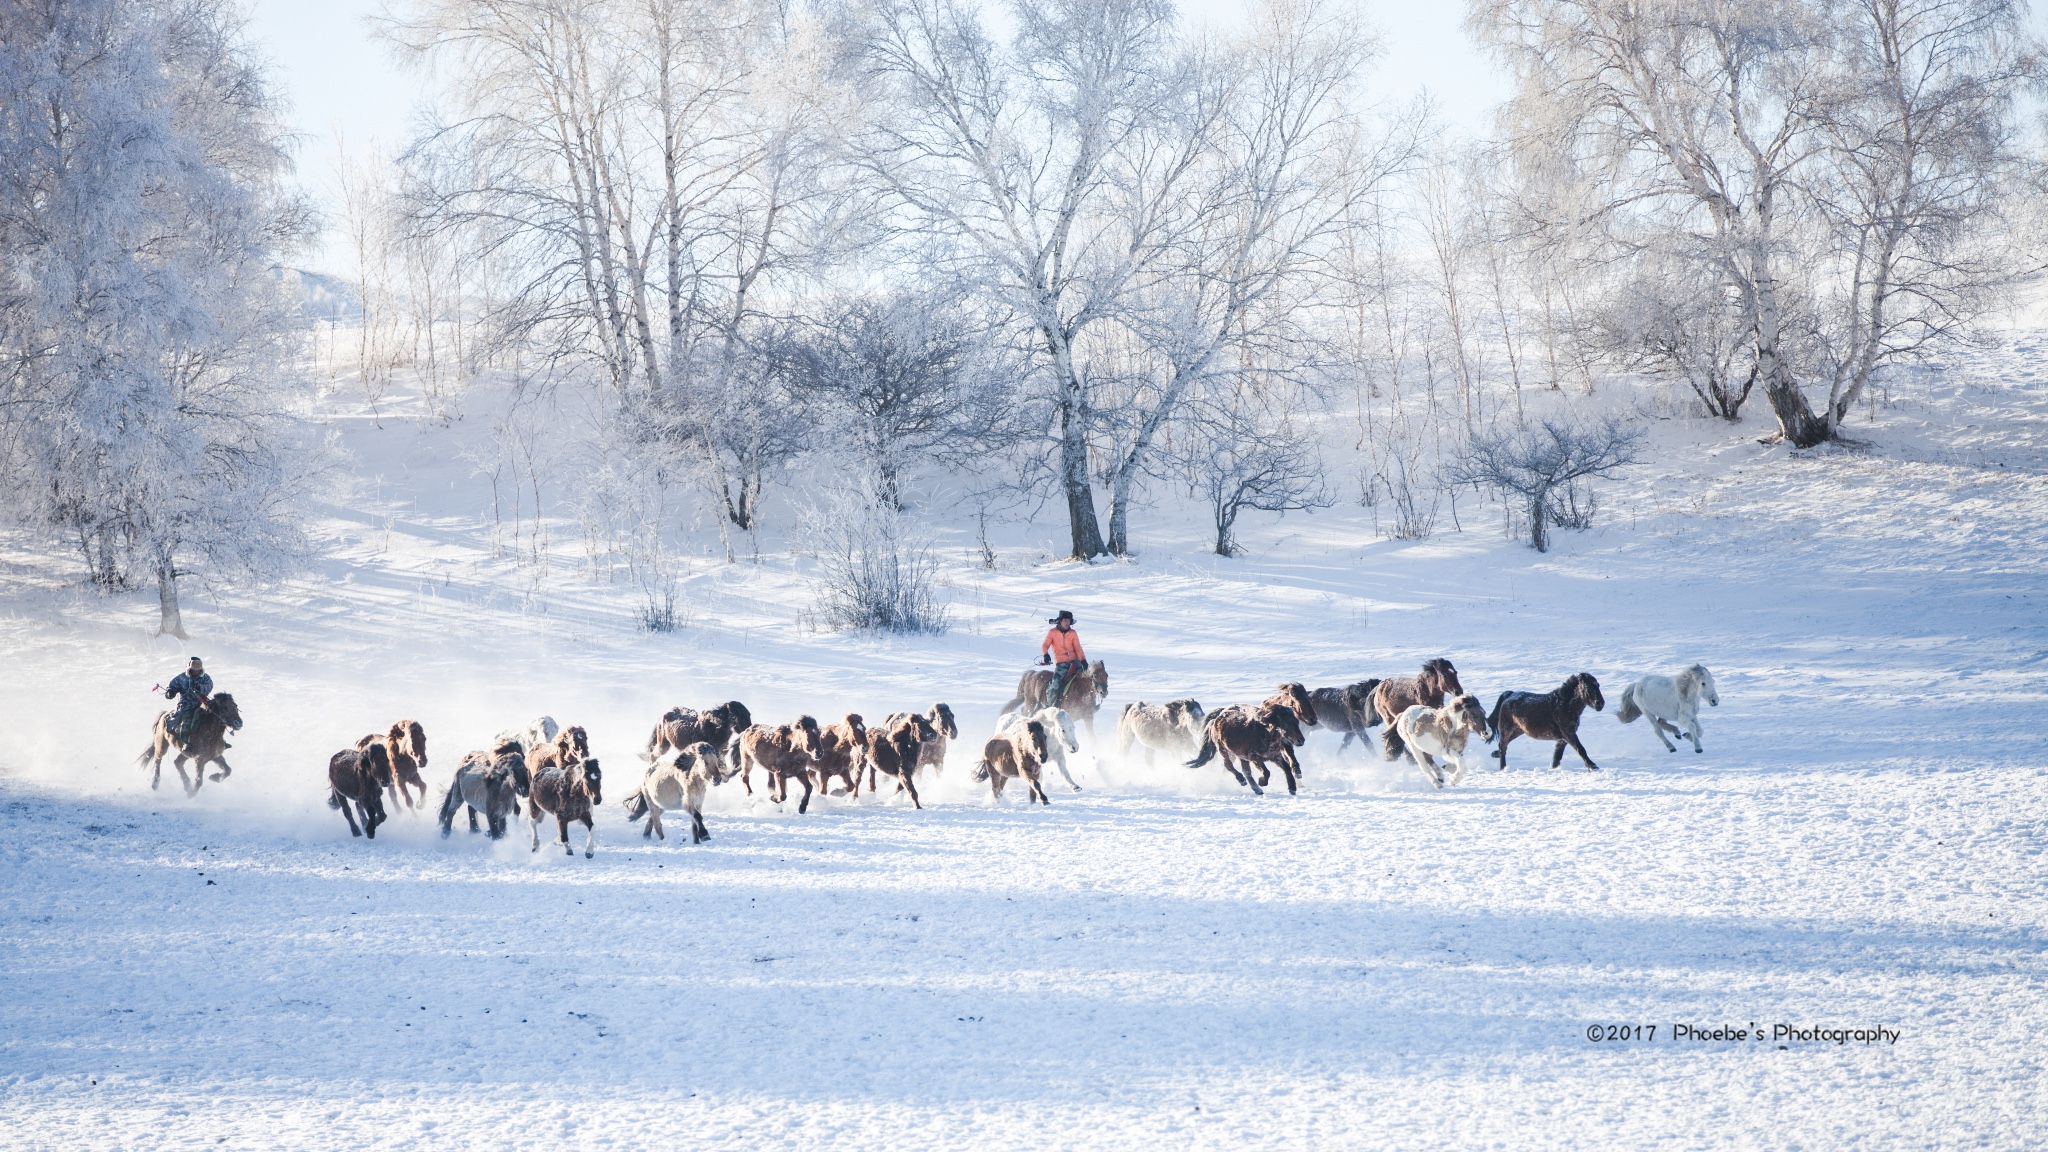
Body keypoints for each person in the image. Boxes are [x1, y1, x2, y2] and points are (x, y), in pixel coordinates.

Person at [1038, 610, 1086, 707]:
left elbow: (1078, 648)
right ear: (1060, 621)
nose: (1067, 622)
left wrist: (1083, 661)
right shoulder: (1052, 633)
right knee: (1055, 684)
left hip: (1075, 663)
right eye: (1065, 620)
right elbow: (1045, 645)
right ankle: (1049, 706)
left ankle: (1089, 706)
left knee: (1088, 681)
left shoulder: (1073, 633)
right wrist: (1045, 655)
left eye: (1068, 620)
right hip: (1062, 665)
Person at [164, 657, 213, 743]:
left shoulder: (205, 677)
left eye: (198, 670)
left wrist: (201, 688)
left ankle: (218, 741)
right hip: (187, 704)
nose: (196, 672)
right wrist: (170, 693)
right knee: (186, 721)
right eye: (194, 669)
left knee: (214, 717)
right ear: (189, 668)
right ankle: (186, 742)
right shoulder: (181, 678)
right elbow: (171, 687)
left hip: (202, 703)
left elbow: (209, 686)